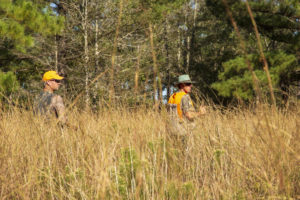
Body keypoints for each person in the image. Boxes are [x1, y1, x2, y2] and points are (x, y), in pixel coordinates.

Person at [167, 74, 206, 138]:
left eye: (190, 84)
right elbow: (189, 115)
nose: (191, 85)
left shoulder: (172, 96)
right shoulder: (185, 97)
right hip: (184, 131)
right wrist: (200, 113)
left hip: (172, 130)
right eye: (188, 84)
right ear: (182, 85)